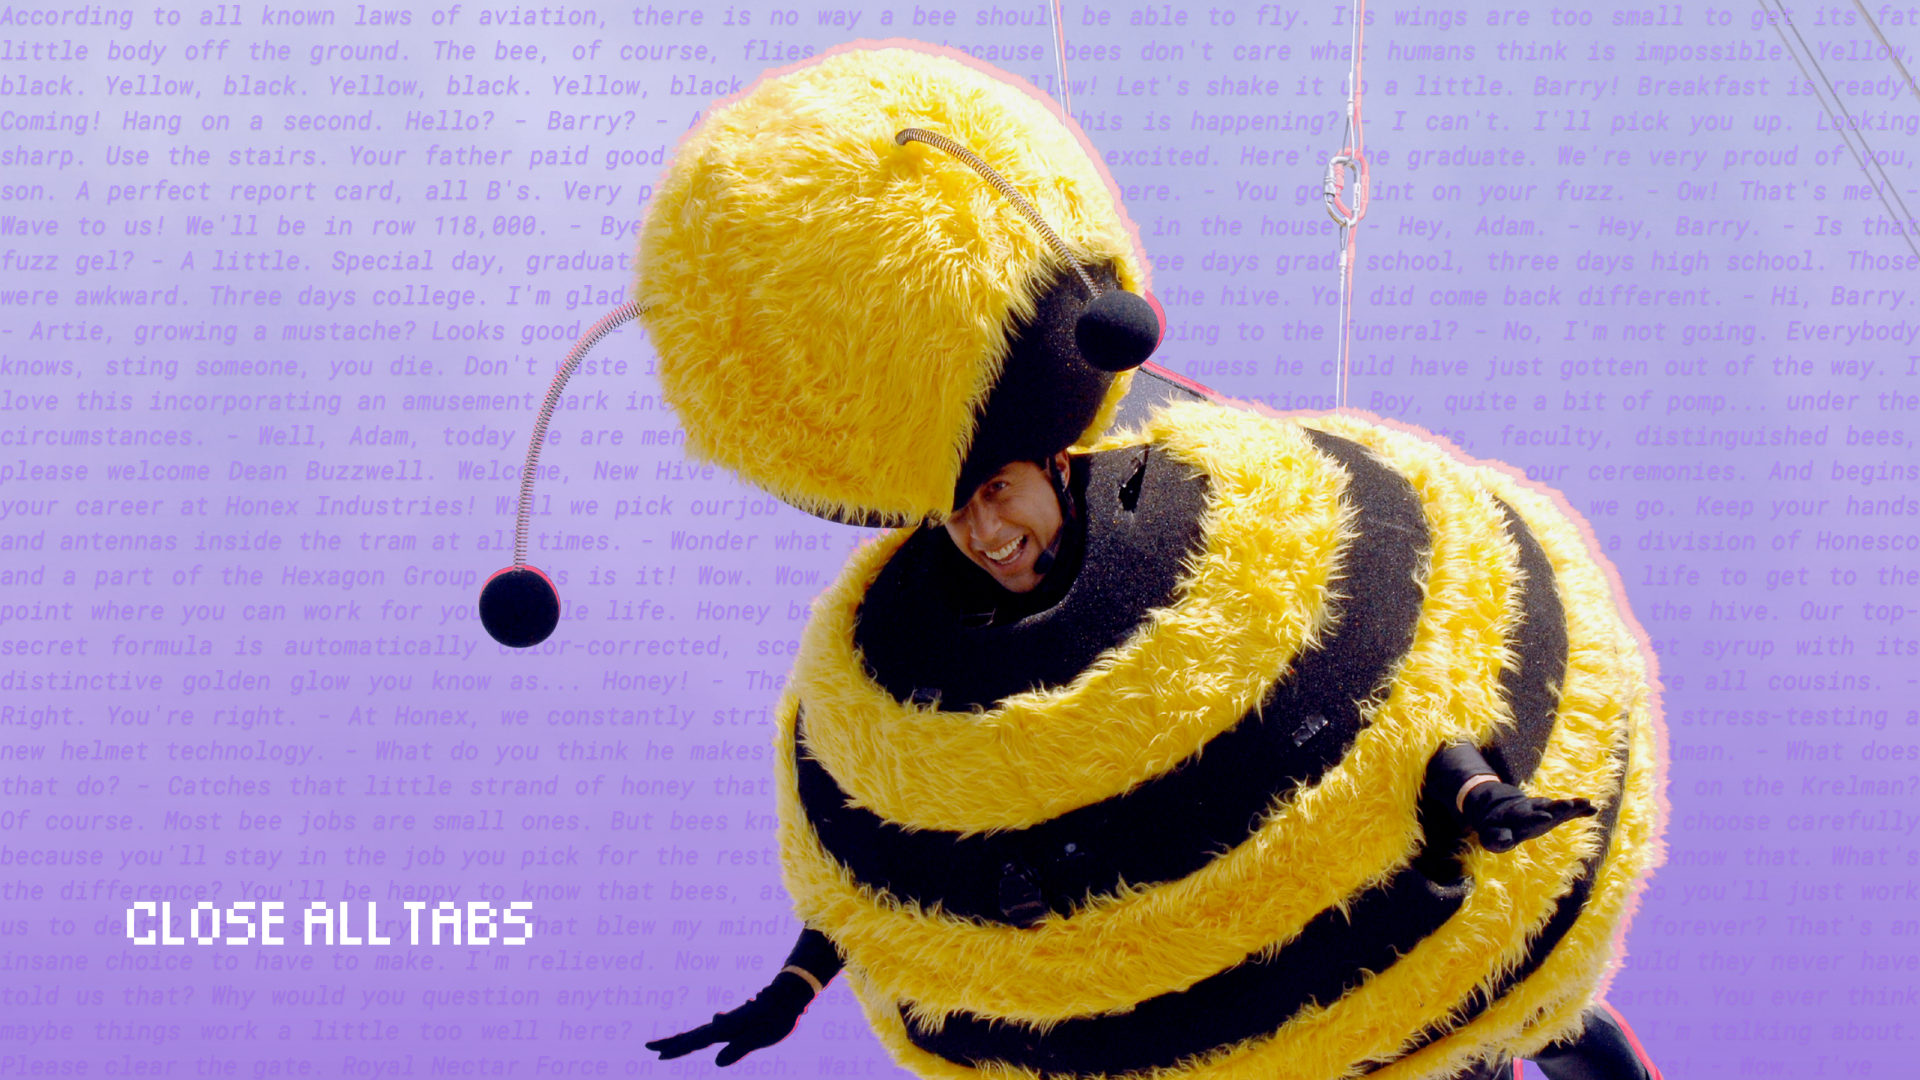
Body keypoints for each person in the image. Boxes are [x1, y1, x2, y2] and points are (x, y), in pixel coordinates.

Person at [633, 45, 1666, 1080]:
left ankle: (1537, 1026)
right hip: (1236, 991)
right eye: (956, 520)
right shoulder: (909, 697)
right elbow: (877, 885)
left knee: (1512, 1018)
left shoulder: (1199, 511)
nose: (985, 535)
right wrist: (794, 989)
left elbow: (1406, 698)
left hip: (1367, 893)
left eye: (995, 496)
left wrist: (1486, 804)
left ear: (1050, 463)